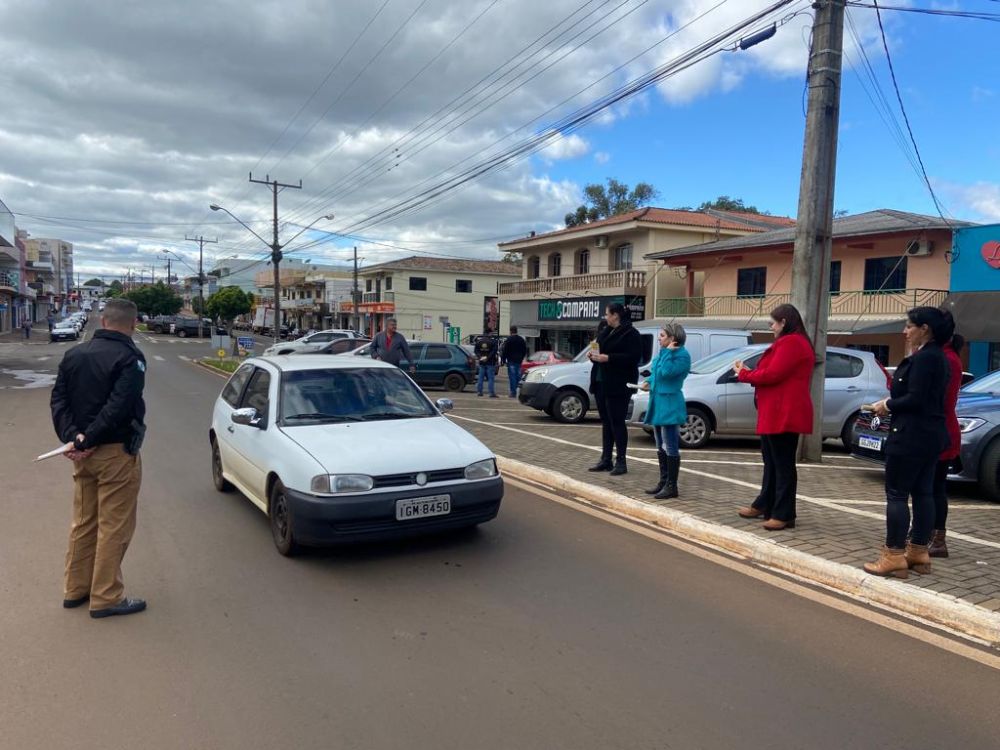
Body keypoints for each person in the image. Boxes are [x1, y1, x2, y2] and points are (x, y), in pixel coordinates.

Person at [49, 298, 148, 619]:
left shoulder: (74, 354)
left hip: (81, 454)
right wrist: (87, 439)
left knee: (84, 521)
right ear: (132, 325)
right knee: (114, 525)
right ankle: (106, 596)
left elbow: (59, 400)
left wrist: (73, 438)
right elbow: (120, 405)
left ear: (102, 321)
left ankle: (75, 588)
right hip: (115, 453)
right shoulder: (130, 358)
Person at [863, 307, 950, 579]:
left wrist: (886, 404)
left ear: (925, 328)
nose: (905, 331)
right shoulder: (938, 357)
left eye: (909, 326)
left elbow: (915, 398)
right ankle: (918, 551)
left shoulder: (925, 359)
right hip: (930, 435)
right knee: (924, 493)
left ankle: (894, 554)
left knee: (898, 494)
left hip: (911, 435)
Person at [734, 303, 815, 531]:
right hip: (776, 410)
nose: (771, 327)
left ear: (784, 322)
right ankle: (765, 504)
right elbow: (771, 372)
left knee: (782, 464)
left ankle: (784, 513)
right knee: (771, 461)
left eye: (773, 322)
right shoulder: (790, 342)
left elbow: (773, 373)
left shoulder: (792, 342)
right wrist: (747, 373)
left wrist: (744, 374)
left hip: (784, 412)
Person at [587, 302, 642, 476]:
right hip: (601, 381)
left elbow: (633, 357)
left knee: (617, 422)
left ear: (615, 315)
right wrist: (593, 355)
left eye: (607, 314)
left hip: (618, 384)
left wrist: (608, 358)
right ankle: (606, 459)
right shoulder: (606, 330)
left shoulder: (631, 333)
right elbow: (599, 349)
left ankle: (621, 461)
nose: (605, 317)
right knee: (606, 422)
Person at [641, 323, 691, 499]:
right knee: (659, 443)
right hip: (658, 399)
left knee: (670, 445)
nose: (659, 338)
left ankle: (672, 486)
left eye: (662, 335)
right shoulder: (664, 353)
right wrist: (649, 383)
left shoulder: (682, 356)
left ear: (673, 339)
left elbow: (667, 373)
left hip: (670, 402)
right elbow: (656, 373)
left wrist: (669, 353)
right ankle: (663, 481)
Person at [929, 316, 965, 559]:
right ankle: (927, 533)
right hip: (936, 429)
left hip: (939, 431)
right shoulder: (940, 356)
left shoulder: (947, 359)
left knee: (935, 488)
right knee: (929, 487)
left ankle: (937, 538)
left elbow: (936, 399)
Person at [500, 325, 527, 398]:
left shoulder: (509, 339)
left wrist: (503, 360)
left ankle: (513, 392)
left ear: (511, 331)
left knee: (512, 376)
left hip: (511, 360)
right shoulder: (521, 339)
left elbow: (505, 350)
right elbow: (524, 350)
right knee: (518, 376)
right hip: (519, 360)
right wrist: (521, 358)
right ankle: (519, 391)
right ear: (516, 331)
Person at [475, 328, 499, 398]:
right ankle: (491, 393)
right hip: (490, 362)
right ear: (490, 333)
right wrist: (487, 357)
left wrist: (480, 357)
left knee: (480, 377)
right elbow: (494, 352)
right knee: (491, 378)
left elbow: (476, 351)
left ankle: (479, 391)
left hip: (482, 362)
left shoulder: (479, 342)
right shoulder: (493, 342)